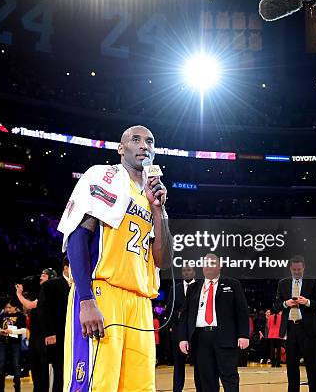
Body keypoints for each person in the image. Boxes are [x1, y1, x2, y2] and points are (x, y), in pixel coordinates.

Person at [57, 125, 173, 391]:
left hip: (141, 301)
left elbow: (163, 261)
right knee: (98, 384)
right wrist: (85, 299)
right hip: (103, 293)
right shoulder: (102, 176)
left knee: (140, 386)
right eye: (136, 139)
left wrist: (159, 210)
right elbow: (78, 237)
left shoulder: (153, 196)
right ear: (121, 149)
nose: (144, 145)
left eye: (150, 141)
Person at [178, 253, 250, 391]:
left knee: (230, 379)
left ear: (219, 266)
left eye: (212, 263)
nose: (208, 266)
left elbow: (242, 311)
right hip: (201, 339)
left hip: (225, 338)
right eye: (205, 263)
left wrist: (244, 335)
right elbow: (185, 316)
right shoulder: (193, 287)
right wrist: (183, 338)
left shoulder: (233, 284)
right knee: (206, 380)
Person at [275, 255, 316, 392]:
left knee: (312, 366)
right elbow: (276, 305)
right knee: (291, 367)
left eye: (299, 269)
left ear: (304, 267)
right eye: (294, 269)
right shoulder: (283, 283)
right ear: (290, 268)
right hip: (290, 329)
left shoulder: (313, 281)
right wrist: (286, 303)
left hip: (308, 329)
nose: (297, 272)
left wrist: (307, 302)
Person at [15, 269, 54, 392]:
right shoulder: (39, 291)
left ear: (51, 278)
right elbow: (27, 309)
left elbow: (30, 305)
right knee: (35, 365)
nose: (40, 277)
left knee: (43, 367)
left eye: (44, 275)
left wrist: (19, 294)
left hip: (45, 334)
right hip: (35, 334)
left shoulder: (50, 291)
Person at [38, 257, 71, 392]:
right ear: (65, 267)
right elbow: (43, 309)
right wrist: (49, 332)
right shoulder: (50, 285)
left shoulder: (85, 284)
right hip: (58, 335)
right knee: (59, 371)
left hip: (79, 337)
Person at [165, 265, 195, 392]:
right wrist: (179, 316)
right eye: (183, 270)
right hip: (178, 333)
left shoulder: (201, 287)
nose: (186, 272)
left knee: (200, 365)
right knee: (178, 365)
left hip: (196, 333)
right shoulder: (174, 288)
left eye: (188, 270)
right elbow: (169, 310)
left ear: (194, 272)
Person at [0, 300, 27, 392]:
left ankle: (17, 387)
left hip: (15, 343)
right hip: (2, 342)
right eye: (6, 307)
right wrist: (0, 331)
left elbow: (24, 330)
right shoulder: (2, 315)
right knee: (1, 364)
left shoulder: (21, 316)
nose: (7, 309)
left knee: (16, 365)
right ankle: (0, 387)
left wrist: (12, 332)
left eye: (9, 307)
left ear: (15, 307)